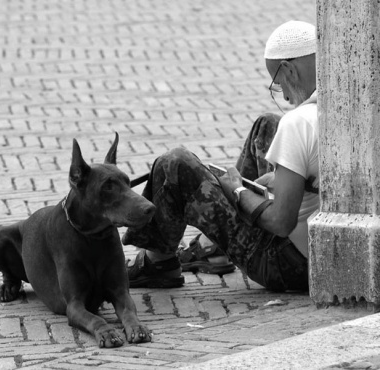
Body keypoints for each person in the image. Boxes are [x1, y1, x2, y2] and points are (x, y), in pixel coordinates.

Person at [123, 20, 319, 292]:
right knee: (266, 125)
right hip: (321, 249)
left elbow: (280, 222)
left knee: (175, 163)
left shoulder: (299, 123)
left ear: (288, 69)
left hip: (287, 265)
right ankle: (210, 248)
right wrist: (283, 177)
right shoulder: (343, 107)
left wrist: (237, 191)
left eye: (277, 83)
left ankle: (158, 263)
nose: (284, 95)